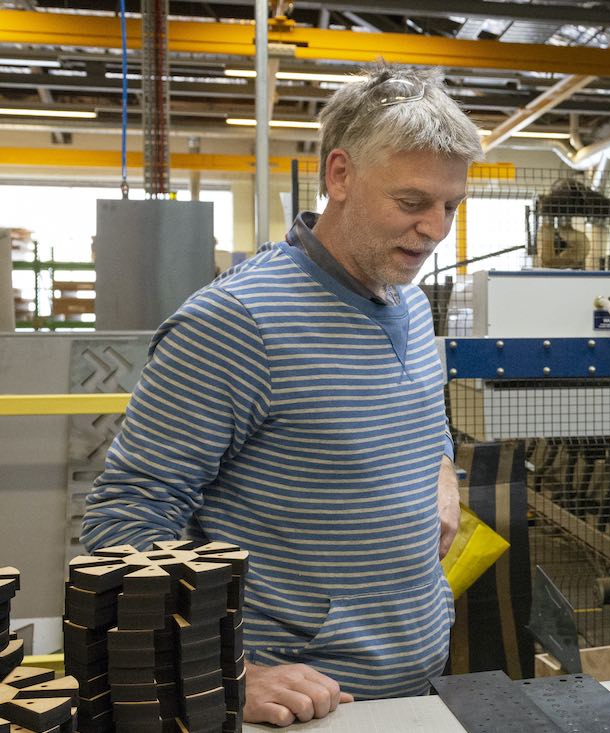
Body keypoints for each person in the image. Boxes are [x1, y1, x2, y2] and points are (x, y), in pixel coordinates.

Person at [81, 64, 484, 725]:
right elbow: (121, 525)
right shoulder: (237, 322)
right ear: (341, 176)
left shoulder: (408, 302)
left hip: (416, 685)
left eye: (451, 207)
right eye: (412, 204)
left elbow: (415, 416)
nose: (435, 230)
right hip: (301, 705)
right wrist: (226, 669)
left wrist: (441, 463)